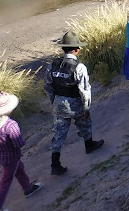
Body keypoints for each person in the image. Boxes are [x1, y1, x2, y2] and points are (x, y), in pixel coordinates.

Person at [44, 32, 105, 175]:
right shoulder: (79, 67)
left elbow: (47, 85)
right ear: (76, 50)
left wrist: (53, 100)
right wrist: (86, 107)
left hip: (59, 103)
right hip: (75, 103)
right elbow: (85, 90)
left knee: (59, 133)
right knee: (85, 123)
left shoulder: (53, 65)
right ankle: (89, 145)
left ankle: (55, 164)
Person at [0, 92, 42, 211]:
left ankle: (28, 188)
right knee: (5, 182)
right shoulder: (10, 125)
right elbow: (18, 143)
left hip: (2, 155)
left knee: (19, 169)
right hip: (12, 156)